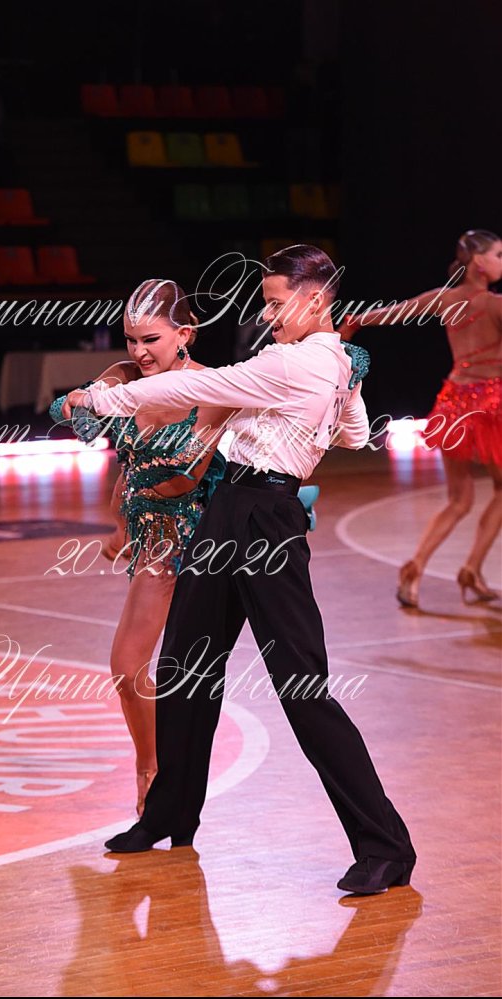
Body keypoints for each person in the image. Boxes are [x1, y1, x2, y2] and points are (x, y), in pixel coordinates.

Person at [63, 244, 416, 895]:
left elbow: (195, 386)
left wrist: (100, 398)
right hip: (229, 508)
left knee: (302, 688)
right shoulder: (326, 360)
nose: (266, 314)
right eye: (265, 302)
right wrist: (353, 381)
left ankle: (386, 846)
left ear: (316, 299)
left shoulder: (297, 362)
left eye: (276, 303)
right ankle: (169, 813)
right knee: (186, 666)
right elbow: (352, 434)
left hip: (266, 522)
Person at [51, 279, 235, 816]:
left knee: (181, 673)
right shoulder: (127, 376)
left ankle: (167, 779)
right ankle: (150, 767)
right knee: (128, 668)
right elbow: (71, 413)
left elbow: (184, 476)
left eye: (150, 339)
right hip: (154, 544)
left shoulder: (213, 388)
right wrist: (121, 526)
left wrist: (131, 499)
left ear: (185, 334)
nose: (138, 352)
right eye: (130, 340)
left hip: (202, 544)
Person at [341, 229, 502, 607]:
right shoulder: (495, 305)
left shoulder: (445, 299)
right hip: (491, 408)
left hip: (453, 405)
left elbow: (399, 311)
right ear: (479, 263)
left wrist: (357, 320)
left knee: (459, 500)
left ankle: (415, 568)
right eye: (498, 255)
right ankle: (471, 568)